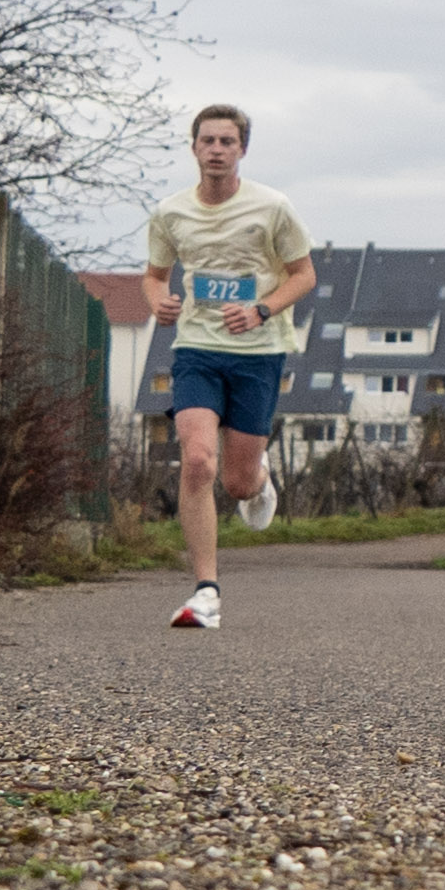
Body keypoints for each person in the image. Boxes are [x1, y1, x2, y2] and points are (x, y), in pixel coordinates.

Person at [142, 102, 314, 634]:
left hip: (258, 352)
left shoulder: (273, 207)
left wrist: (261, 309)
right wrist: (157, 301)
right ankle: (206, 591)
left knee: (237, 484)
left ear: (242, 150)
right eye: (208, 141)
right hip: (196, 349)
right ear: (194, 147)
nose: (216, 150)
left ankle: (259, 478)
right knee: (197, 461)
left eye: (227, 142)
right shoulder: (170, 212)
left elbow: (304, 275)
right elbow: (153, 275)